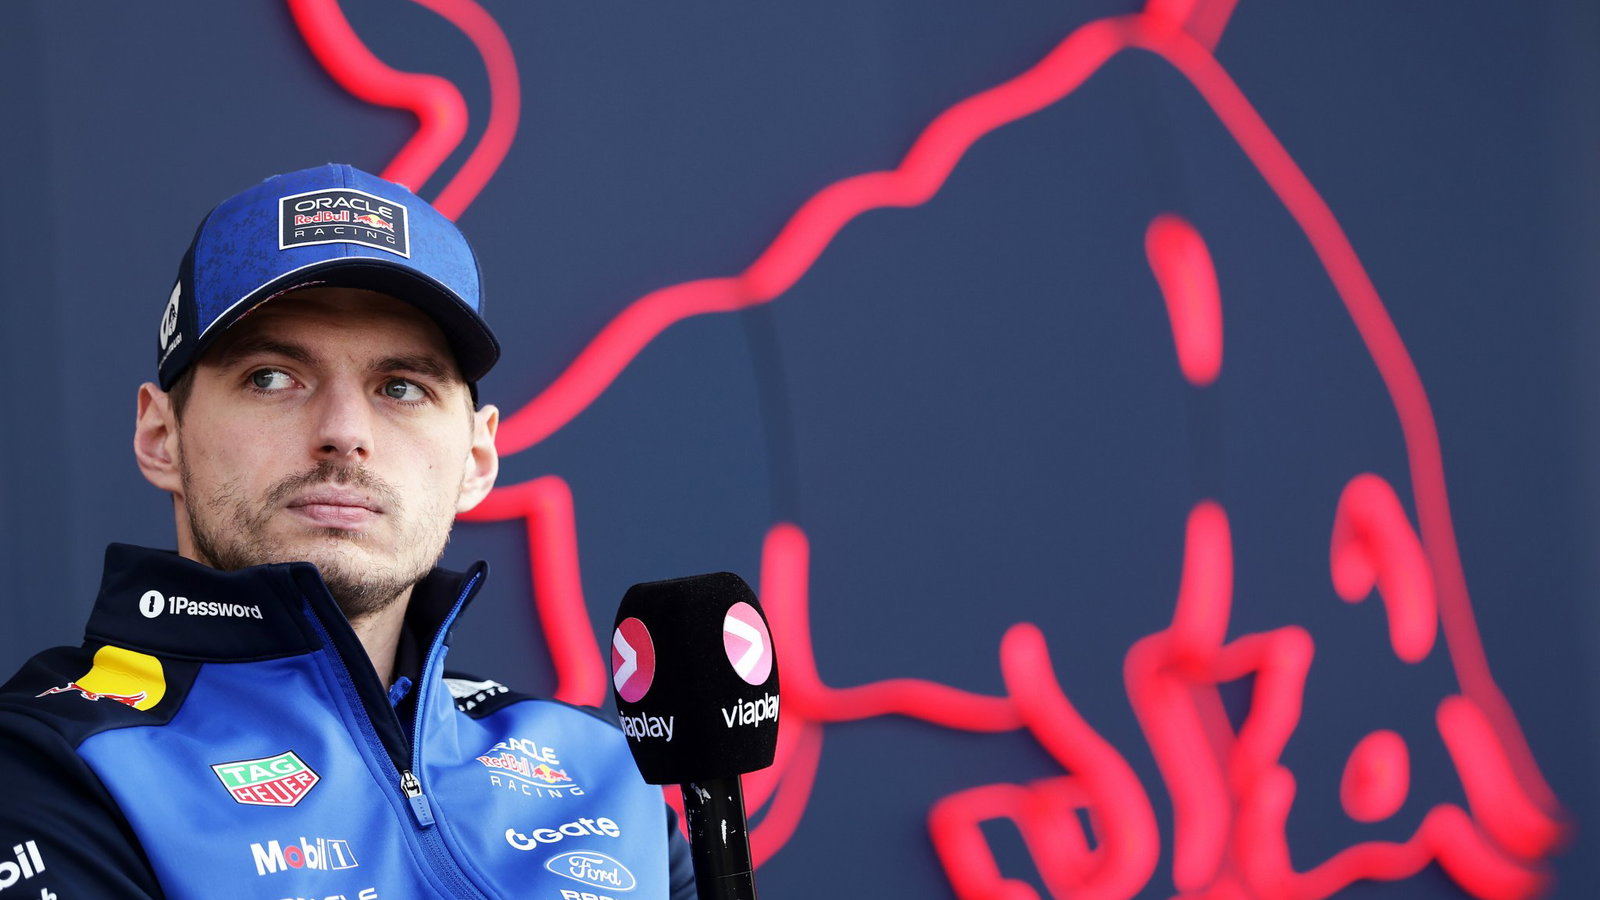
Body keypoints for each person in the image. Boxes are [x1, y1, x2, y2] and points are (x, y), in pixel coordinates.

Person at [0, 164, 696, 898]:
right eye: (271, 377)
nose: (344, 432)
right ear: (161, 435)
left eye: (401, 388)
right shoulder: (52, 762)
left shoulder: (606, 774)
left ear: (476, 459)